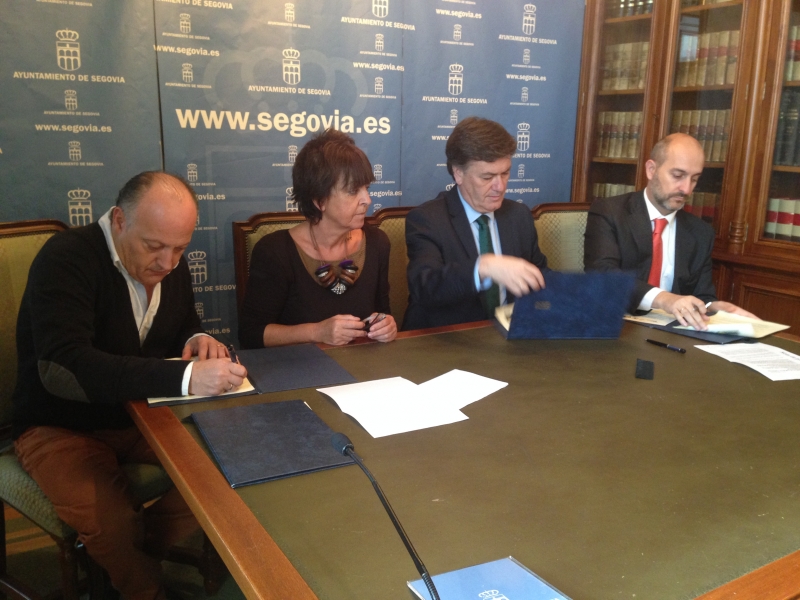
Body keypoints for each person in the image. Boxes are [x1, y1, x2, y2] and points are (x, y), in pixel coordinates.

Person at [13, 171, 248, 600]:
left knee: (230, 466)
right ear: (120, 220)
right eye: (154, 246)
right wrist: (185, 377)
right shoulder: (66, 258)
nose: (167, 262)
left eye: (180, 248)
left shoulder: (169, 261)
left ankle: (123, 560)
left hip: (140, 413)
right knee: (113, 522)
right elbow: (64, 367)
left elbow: (182, 323)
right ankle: (142, 584)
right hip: (59, 424)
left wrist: (197, 339)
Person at [239, 129, 397, 348]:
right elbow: (251, 335)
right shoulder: (275, 252)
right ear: (319, 200)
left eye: (367, 188)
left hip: (363, 365)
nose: (367, 200)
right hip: (300, 366)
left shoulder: (377, 243)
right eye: (353, 191)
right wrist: (317, 332)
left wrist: (387, 325)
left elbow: (382, 313)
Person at [584, 132, 757, 329]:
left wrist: (715, 308)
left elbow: (702, 296)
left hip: (672, 333)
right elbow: (603, 274)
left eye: (694, 179)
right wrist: (665, 299)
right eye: (678, 176)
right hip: (615, 326)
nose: (687, 189)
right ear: (651, 170)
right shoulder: (610, 212)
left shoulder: (701, 233)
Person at [403, 116, 549, 330]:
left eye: (505, 173)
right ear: (458, 173)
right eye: (487, 177)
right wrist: (483, 266)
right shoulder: (428, 220)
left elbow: (541, 278)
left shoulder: (519, 216)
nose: (500, 186)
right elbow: (425, 287)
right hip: (447, 339)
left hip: (511, 338)